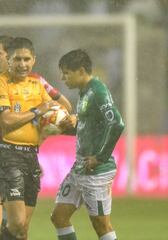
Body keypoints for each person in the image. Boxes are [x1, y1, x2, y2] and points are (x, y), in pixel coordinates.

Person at [0, 35, 72, 240]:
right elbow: (5, 120)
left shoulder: (37, 83)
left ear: (33, 59)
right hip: (5, 155)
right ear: (10, 60)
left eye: (26, 59)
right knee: (4, 220)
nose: (22, 64)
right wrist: (37, 112)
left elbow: (61, 110)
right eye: (17, 59)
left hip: (30, 156)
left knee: (21, 229)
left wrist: (59, 124)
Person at [51, 49, 125, 240]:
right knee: (59, 217)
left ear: (81, 71)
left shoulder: (97, 91)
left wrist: (100, 157)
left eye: (66, 72)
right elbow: (89, 128)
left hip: (97, 172)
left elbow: (117, 123)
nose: (62, 77)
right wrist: (63, 129)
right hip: (80, 167)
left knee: (101, 225)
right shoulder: (85, 93)